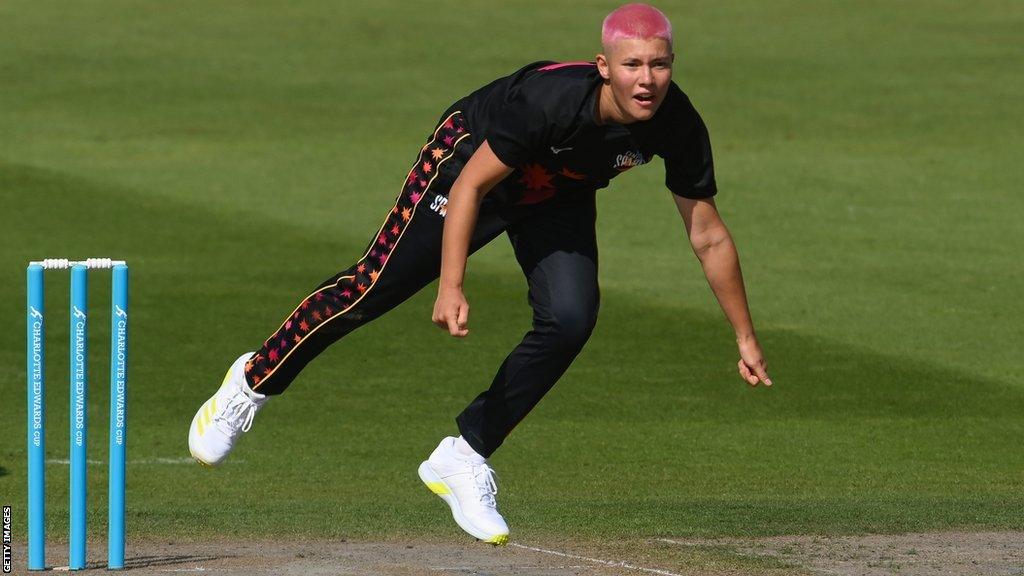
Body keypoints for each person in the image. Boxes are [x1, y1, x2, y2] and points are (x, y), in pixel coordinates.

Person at [188, 2, 772, 545]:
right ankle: (251, 382)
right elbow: (471, 186)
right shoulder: (551, 101)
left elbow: (708, 233)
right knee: (374, 286)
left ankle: (464, 455)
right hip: (470, 162)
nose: (646, 80)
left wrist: (744, 334)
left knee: (571, 319)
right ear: (604, 67)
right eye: (632, 65)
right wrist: (451, 284)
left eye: (660, 65)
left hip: (557, 190)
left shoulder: (677, 122)